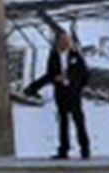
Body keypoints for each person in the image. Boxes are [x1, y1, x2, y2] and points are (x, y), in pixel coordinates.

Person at [24, 30, 90, 160]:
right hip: (61, 93)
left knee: (79, 121)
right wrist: (53, 80)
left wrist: (73, 82)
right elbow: (49, 74)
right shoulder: (53, 56)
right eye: (62, 40)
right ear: (58, 42)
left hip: (73, 93)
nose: (65, 42)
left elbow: (84, 74)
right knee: (63, 121)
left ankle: (85, 149)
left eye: (67, 40)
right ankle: (63, 150)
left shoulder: (76, 55)